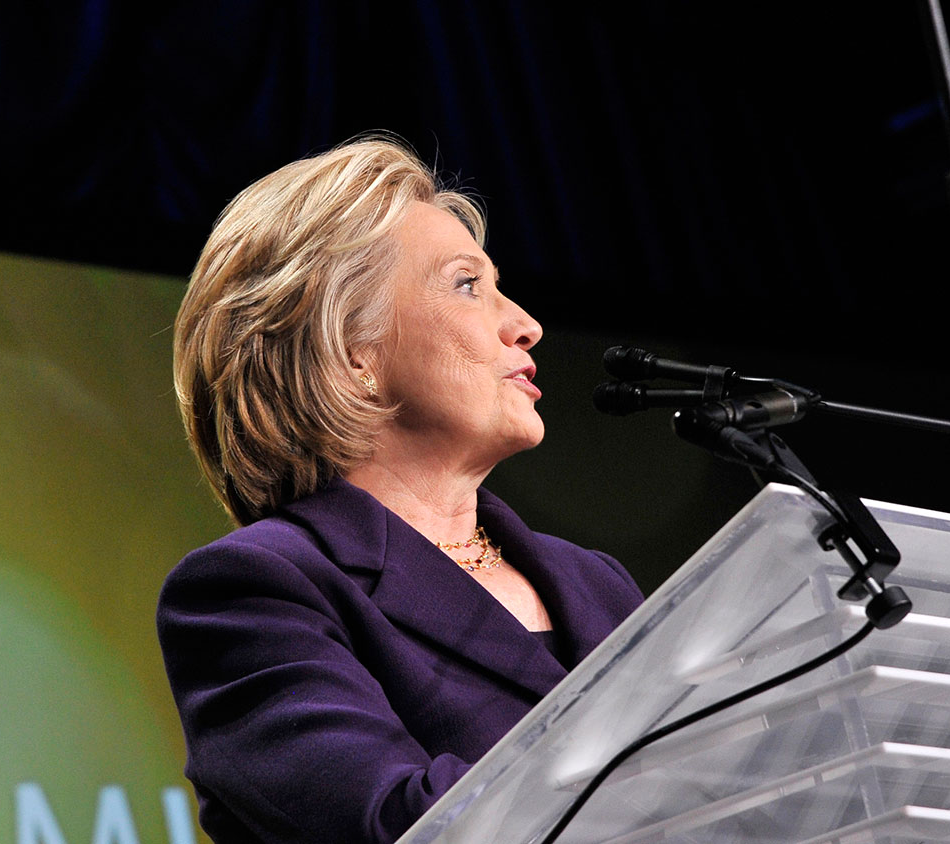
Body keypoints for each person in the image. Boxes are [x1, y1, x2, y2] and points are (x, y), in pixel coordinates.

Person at [158, 137, 644, 844]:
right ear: (353, 352)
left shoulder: (596, 584)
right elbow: (397, 825)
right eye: (468, 284)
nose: (525, 325)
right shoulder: (255, 592)